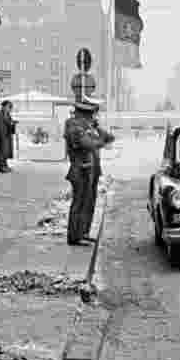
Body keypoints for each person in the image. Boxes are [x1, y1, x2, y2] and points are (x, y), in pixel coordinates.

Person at [64, 95, 114, 246]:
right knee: (79, 204)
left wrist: (97, 128)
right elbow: (87, 144)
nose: (93, 117)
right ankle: (75, 236)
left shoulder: (88, 127)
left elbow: (110, 137)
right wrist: (100, 141)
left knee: (89, 203)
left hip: (91, 170)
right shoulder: (73, 126)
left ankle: (84, 232)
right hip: (80, 170)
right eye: (92, 114)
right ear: (84, 114)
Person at [0, 100, 17, 172]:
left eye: (10, 107)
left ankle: (5, 165)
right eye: (8, 106)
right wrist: (1, 134)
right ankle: (1, 167)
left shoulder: (7, 115)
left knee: (5, 151)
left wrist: (12, 123)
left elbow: (9, 123)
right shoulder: (0, 115)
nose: (9, 108)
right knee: (1, 151)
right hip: (2, 135)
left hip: (7, 135)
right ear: (3, 107)